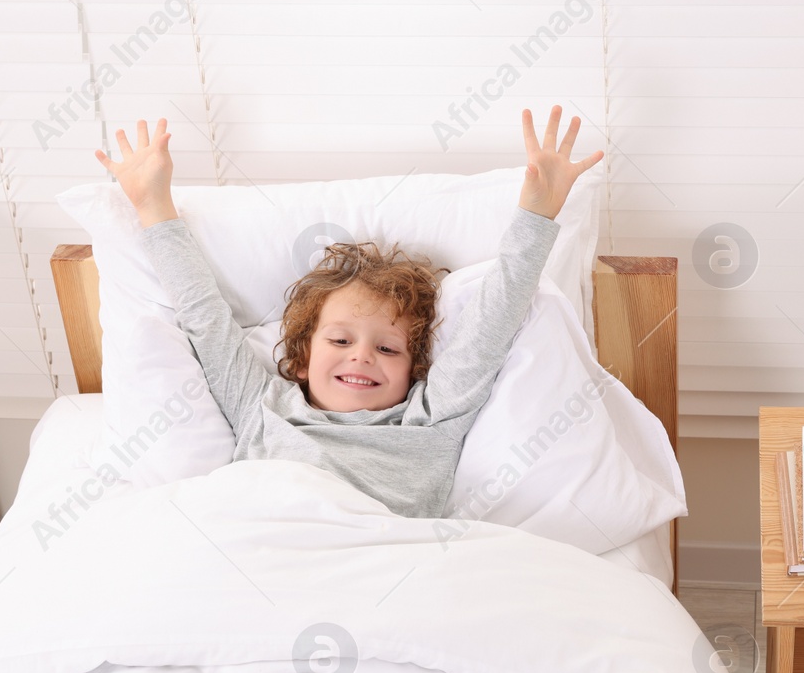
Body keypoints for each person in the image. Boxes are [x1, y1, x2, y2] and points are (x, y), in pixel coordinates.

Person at [93, 106, 603, 518]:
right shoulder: (262, 406)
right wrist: (153, 207)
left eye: (386, 347)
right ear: (297, 361)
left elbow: (493, 324)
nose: (361, 357)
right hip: (262, 543)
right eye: (339, 341)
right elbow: (205, 319)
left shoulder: (430, 420)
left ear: (415, 370)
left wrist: (537, 213)